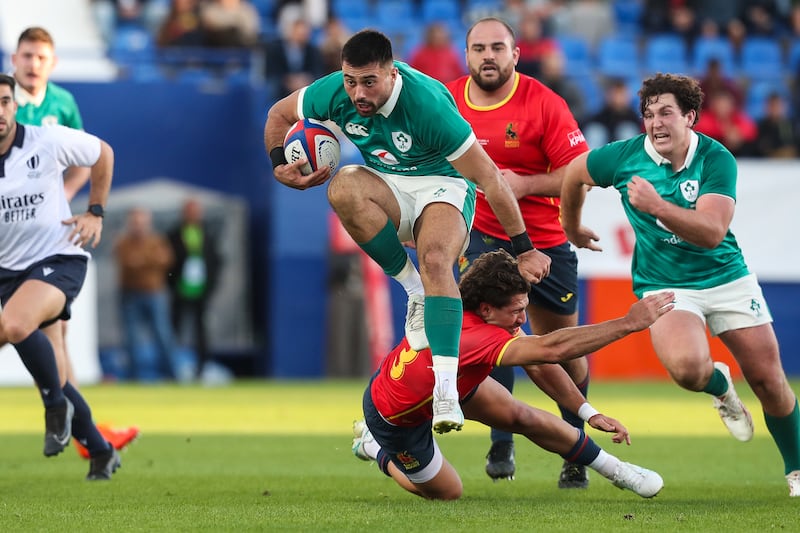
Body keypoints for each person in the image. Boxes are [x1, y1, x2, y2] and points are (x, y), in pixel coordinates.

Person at [264, 29, 552, 435]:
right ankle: (414, 291)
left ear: (392, 73)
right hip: (390, 184)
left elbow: (490, 177)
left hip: (444, 185)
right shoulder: (333, 92)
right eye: (350, 81)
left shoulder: (427, 104)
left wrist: (524, 248)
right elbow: (278, 114)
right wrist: (278, 163)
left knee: (435, 261)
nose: (358, 93)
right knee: (342, 186)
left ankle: (446, 392)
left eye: (369, 82)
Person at [560, 72, 800, 498]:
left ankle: (796, 468)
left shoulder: (716, 158)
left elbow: (711, 232)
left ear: (689, 117)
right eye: (649, 114)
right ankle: (720, 386)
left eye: (666, 113)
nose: (656, 122)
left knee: (769, 381)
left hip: (726, 277)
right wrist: (572, 226)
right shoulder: (624, 156)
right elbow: (574, 173)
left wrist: (657, 205)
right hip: (664, 282)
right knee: (688, 370)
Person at [351, 249, 675, 501]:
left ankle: (618, 470)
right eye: (517, 311)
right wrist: (627, 324)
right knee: (447, 492)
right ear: (487, 309)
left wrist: (589, 413)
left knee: (524, 416)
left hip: (448, 386)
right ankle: (373, 446)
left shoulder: (481, 318)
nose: (523, 318)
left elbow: (540, 365)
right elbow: (552, 349)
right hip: (396, 417)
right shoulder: (476, 337)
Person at [444, 17, 591, 486]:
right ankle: (501, 438)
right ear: (467, 55)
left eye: (497, 47)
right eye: (479, 48)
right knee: (491, 337)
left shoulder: (544, 103)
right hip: (483, 237)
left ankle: (575, 445)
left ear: (515, 54)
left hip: (545, 240)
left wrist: (526, 184)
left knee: (562, 349)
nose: (488, 56)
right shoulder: (447, 101)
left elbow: (579, 173)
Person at [11, 26, 140, 460]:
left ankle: (76, 425)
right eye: (27, 55)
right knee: (41, 338)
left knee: (52, 333)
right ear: (14, 59)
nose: (33, 64)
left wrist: (69, 196)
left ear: (53, 63)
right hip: (12, 239)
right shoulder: (6, 101)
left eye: (41, 57)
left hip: (43, 238)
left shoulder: (61, 105)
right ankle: (87, 433)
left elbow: (89, 155)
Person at [0, 73, 121, 480]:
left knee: (16, 325)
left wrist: (95, 211)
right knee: (54, 372)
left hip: (58, 259)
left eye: (4, 101)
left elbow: (102, 153)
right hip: (9, 276)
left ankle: (55, 408)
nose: (0, 111)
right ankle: (101, 450)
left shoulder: (45, 140)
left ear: (15, 105)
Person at [114, 207, 179, 382]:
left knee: (163, 334)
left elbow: (166, 260)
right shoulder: (124, 242)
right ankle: (133, 376)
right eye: (135, 222)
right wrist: (150, 260)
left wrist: (141, 260)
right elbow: (127, 262)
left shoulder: (157, 240)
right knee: (131, 338)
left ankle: (171, 374)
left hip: (154, 294)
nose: (138, 226)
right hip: (130, 295)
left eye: (141, 222)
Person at [166, 198, 222, 379]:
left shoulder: (207, 233)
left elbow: (216, 260)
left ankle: (202, 368)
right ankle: (172, 368)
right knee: (175, 329)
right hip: (180, 289)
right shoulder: (174, 234)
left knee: (201, 330)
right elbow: (168, 262)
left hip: (201, 290)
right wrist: (172, 283)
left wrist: (212, 283)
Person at [582, 78, 642, 149]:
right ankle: (592, 156)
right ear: (608, 96)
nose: (618, 99)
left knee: (627, 130)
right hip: (603, 149)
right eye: (616, 94)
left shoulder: (633, 117)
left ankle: (629, 156)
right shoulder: (601, 116)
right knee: (595, 131)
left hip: (623, 151)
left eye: (621, 94)